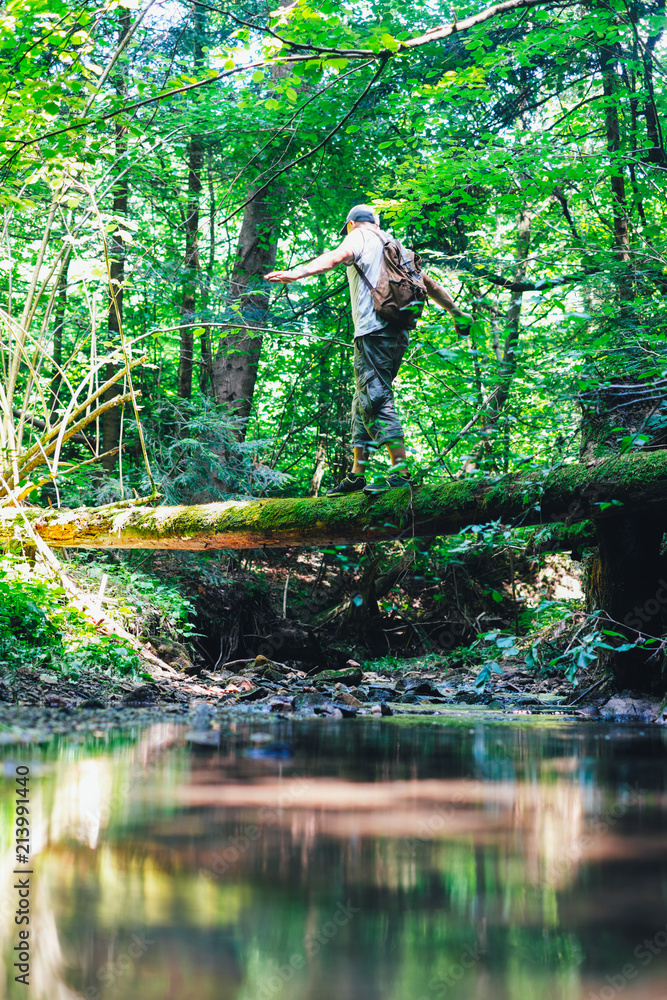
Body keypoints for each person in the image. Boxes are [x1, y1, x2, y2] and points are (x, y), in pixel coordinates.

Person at [266, 204, 472, 495]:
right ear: (376, 222)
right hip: (398, 333)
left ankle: (401, 474)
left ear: (352, 224)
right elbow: (430, 285)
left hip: (373, 330)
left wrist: (298, 272)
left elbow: (336, 257)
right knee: (362, 399)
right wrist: (456, 312)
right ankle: (356, 474)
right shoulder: (396, 246)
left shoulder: (358, 236)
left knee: (375, 398)